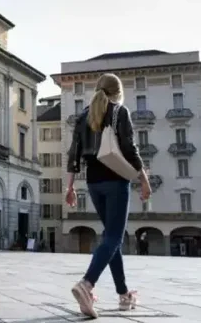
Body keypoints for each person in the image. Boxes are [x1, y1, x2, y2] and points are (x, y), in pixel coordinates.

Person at [65, 73, 151, 318]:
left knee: (111, 238)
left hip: (93, 183)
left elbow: (73, 155)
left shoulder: (83, 117)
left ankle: (124, 294)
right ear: (118, 92)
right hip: (115, 180)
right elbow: (130, 150)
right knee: (113, 237)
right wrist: (144, 180)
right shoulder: (118, 112)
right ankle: (86, 284)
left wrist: (70, 188)